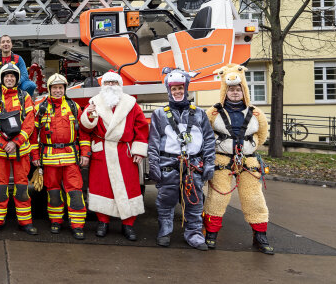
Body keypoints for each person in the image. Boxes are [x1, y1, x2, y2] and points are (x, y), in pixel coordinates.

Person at [203, 64, 273, 254]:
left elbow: (262, 134)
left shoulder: (257, 113)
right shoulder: (213, 113)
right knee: (218, 197)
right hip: (221, 161)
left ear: (244, 90)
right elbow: (205, 134)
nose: (235, 93)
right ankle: (210, 233)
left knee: (254, 198)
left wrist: (250, 147)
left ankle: (260, 235)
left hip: (248, 161)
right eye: (231, 89)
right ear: (225, 91)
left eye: (238, 89)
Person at [147, 68, 215, 250]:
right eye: (174, 88)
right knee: (166, 201)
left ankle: (194, 234)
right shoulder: (159, 114)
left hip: (193, 165)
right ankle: (165, 231)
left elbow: (209, 140)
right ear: (169, 90)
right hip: (169, 165)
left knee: (194, 201)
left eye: (180, 88)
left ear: (186, 88)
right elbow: (153, 142)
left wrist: (209, 163)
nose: (177, 92)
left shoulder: (200, 113)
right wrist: (154, 166)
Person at [80, 71, 149, 241]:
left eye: (114, 83)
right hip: (101, 151)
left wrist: (139, 150)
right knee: (101, 188)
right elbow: (85, 130)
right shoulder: (94, 103)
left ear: (120, 86)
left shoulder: (131, 104)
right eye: (108, 83)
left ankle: (128, 224)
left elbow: (141, 127)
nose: (111, 86)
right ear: (103, 85)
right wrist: (88, 115)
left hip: (123, 152)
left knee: (129, 188)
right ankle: (103, 222)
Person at [31, 73, 91, 240]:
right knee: (54, 192)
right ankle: (56, 221)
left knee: (75, 193)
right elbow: (32, 134)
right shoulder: (40, 109)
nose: (58, 90)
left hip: (70, 157)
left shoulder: (74, 107)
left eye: (60, 88)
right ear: (49, 89)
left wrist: (85, 153)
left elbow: (84, 133)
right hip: (49, 158)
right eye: (55, 88)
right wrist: (35, 155)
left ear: (65, 89)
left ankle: (77, 225)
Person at [0, 63, 38, 235]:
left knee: (22, 188)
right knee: (0, 188)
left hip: (20, 151)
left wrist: (15, 142)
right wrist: (2, 143)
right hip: (1, 152)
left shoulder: (25, 97)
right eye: (6, 76)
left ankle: (25, 222)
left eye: (12, 76)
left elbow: (30, 124)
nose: (9, 79)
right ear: (2, 79)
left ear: (16, 79)